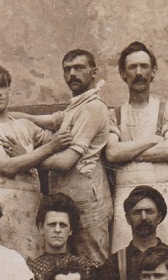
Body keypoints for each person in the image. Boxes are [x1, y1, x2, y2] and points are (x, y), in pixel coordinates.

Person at [18, 50, 115, 262]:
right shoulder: (76, 106)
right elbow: (51, 120)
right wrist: (13, 116)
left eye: (79, 68)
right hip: (66, 201)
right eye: (67, 70)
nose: (72, 74)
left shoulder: (93, 107)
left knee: (93, 262)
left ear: (93, 72)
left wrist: (25, 158)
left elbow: (64, 162)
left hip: (88, 202)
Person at [0, 63, 70, 257]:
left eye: (3, 86)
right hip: (5, 205)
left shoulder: (24, 125)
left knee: (35, 265)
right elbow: (6, 166)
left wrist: (24, 117)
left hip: (33, 204)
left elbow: (62, 133)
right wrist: (49, 148)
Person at [105, 41, 168, 254]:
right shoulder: (115, 114)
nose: (138, 73)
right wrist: (152, 139)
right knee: (125, 254)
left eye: (144, 66)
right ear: (123, 73)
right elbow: (113, 153)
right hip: (126, 189)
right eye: (132, 67)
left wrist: (130, 153)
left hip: (163, 187)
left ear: (153, 71)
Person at [27, 194, 99, 280]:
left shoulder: (88, 267)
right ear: (41, 228)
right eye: (52, 224)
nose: (57, 230)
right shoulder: (29, 271)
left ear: (71, 230)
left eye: (63, 225)